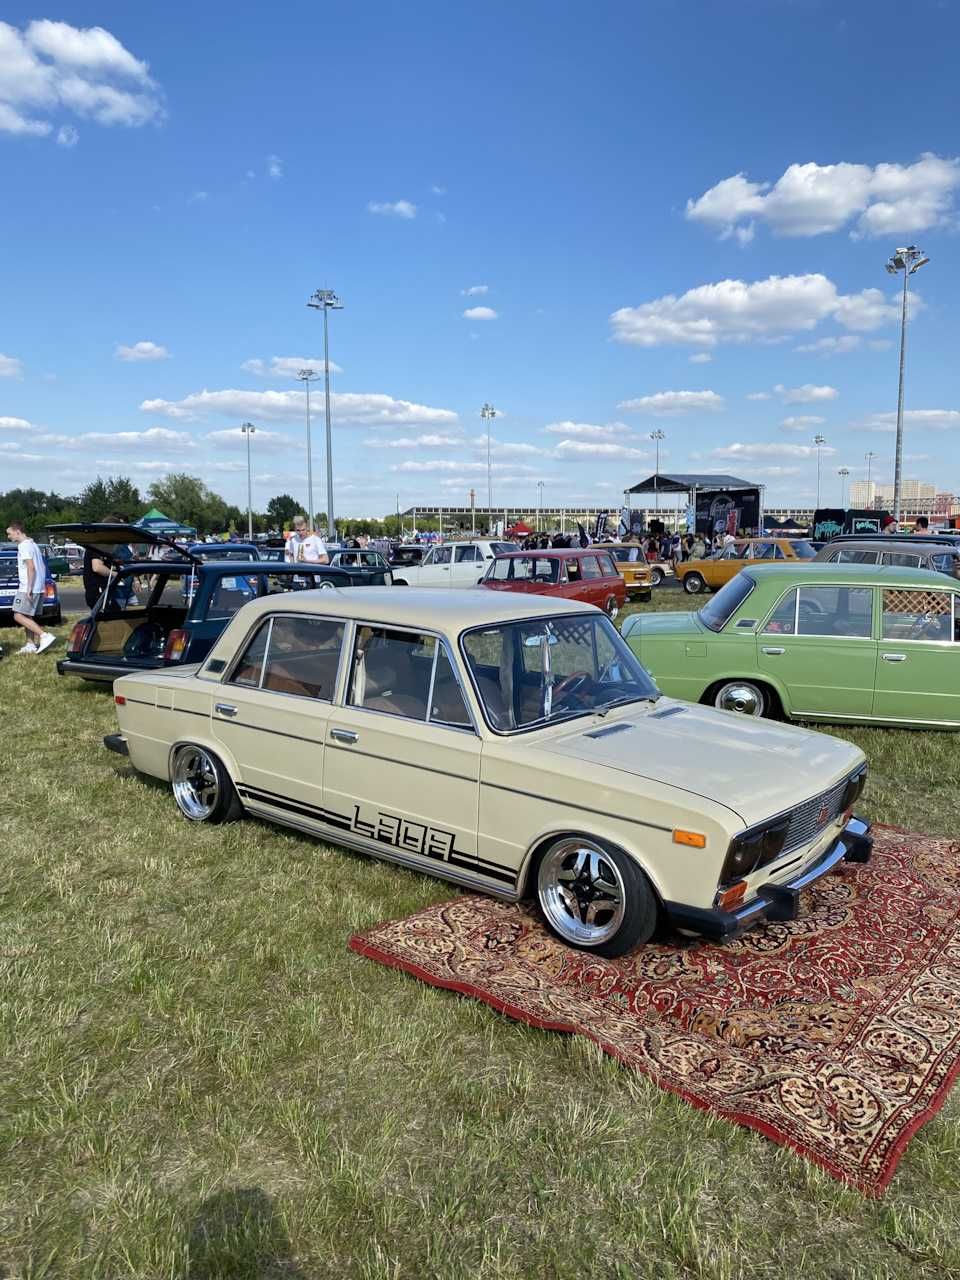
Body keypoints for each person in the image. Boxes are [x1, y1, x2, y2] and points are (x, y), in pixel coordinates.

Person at [5, 522, 56, 654]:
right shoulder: (33, 544)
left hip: (29, 587)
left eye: (9, 533)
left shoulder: (24, 546)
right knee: (27, 615)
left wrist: (29, 588)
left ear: (17, 531)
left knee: (18, 615)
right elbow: (43, 567)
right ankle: (30, 644)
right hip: (38, 586)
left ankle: (44, 636)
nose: (8, 537)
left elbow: (31, 567)